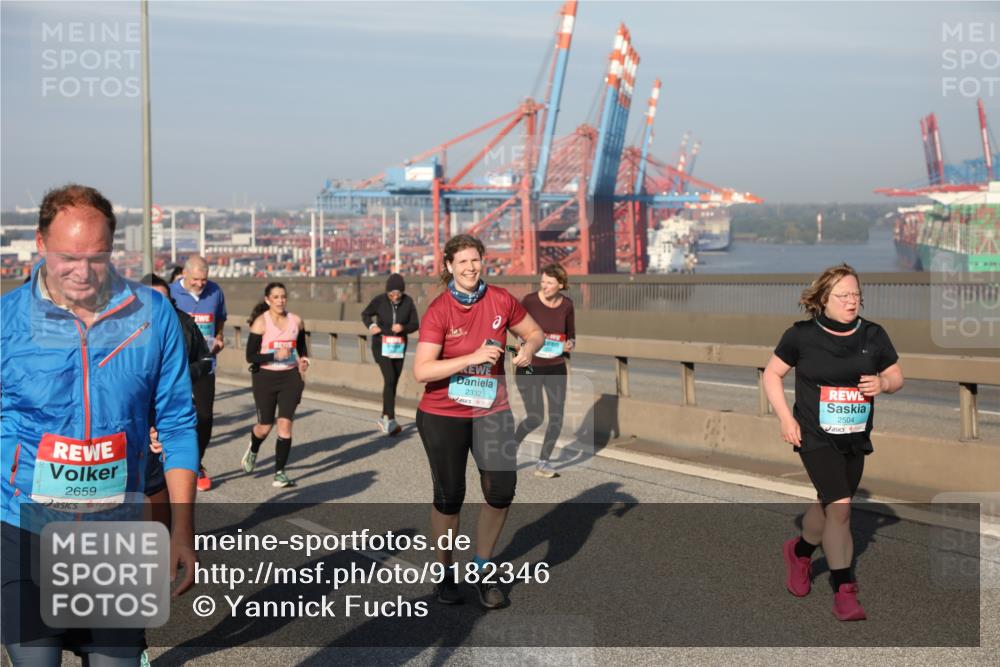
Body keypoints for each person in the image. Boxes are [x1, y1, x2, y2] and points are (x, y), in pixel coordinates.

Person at [1, 184, 199, 665]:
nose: (83, 272)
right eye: (69, 257)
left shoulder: (151, 317)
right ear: (41, 243)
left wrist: (181, 529)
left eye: (98, 257)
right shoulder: (7, 321)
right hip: (22, 527)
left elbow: (176, 425)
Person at [762, 263, 903, 622]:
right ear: (824, 298)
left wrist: (883, 385)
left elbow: (896, 375)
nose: (852, 301)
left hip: (855, 437)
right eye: (843, 295)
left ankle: (800, 551)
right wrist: (785, 418)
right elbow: (773, 375)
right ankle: (845, 591)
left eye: (856, 294)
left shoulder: (873, 334)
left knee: (828, 505)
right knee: (841, 509)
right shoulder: (801, 336)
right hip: (814, 435)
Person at [412, 234, 544, 610]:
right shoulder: (439, 310)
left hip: (492, 409)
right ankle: (445, 573)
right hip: (442, 413)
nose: (471, 268)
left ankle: (483, 568)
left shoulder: (500, 299)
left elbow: (534, 332)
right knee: (449, 497)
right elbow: (422, 370)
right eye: (463, 262)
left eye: (476, 260)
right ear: (449, 266)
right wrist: (470, 356)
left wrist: (527, 349)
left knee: (501, 490)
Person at [142, 273, 213, 528]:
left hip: (174, 409)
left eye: (164, 300)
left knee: (166, 479)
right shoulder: (124, 330)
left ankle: (176, 535)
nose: (159, 307)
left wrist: (182, 375)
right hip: (140, 420)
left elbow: (207, 360)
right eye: (152, 300)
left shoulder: (184, 324)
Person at [241, 282, 309, 489]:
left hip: (290, 377)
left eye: (283, 297)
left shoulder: (296, 321)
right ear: (267, 300)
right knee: (264, 427)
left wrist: (304, 360)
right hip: (265, 378)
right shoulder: (261, 323)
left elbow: (302, 347)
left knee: (285, 425)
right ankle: (254, 448)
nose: (281, 301)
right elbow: (250, 356)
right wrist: (273, 355)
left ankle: (280, 473)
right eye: (276, 297)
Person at [169, 255, 227, 491]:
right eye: (196, 279)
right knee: (176, 416)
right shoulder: (170, 293)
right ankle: (173, 462)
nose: (200, 284)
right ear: (184, 273)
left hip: (205, 364)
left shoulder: (215, 292)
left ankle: (197, 462)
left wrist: (220, 337)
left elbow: (221, 318)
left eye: (204, 280)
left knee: (204, 417)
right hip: (176, 365)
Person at [512, 263, 575, 478]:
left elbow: (571, 335)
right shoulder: (529, 301)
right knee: (536, 416)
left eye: (549, 283)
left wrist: (570, 345)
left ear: (561, 284)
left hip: (556, 367)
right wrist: (523, 343)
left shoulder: (567, 305)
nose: (545, 286)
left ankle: (544, 462)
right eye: (542, 282)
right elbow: (515, 327)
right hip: (529, 367)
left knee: (557, 416)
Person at [361, 273, 420, 435]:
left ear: (402, 292)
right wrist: (372, 326)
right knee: (390, 378)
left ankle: (383, 416)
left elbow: (415, 323)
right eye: (391, 294)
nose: (394, 297)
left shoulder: (408, 302)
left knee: (393, 382)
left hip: (398, 347)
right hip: (381, 345)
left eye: (397, 294)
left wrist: (403, 328)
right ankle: (391, 419)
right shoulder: (380, 300)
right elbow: (365, 314)